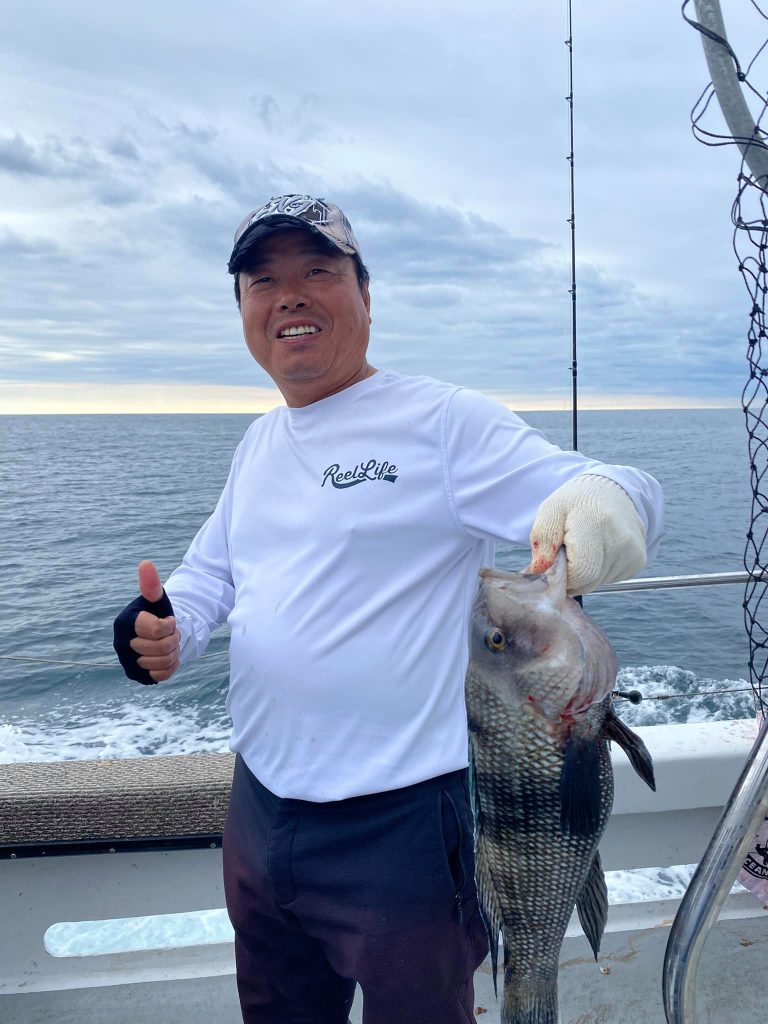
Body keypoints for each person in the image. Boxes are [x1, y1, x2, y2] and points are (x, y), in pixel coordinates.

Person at [113, 194, 664, 1024]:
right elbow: (209, 577)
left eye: (317, 271)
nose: (289, 296)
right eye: (263, 281)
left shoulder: (441, 423)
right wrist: (165, 630)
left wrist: (606, 505)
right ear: (244, 310)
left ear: (365, 295)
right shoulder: (259, 443)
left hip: (403, 826)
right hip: (260, 808)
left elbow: (616, 487)